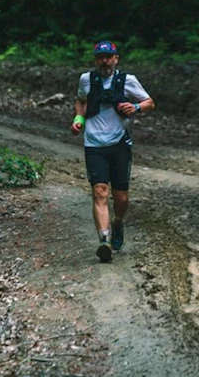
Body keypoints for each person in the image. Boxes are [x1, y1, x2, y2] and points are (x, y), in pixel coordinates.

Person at [71, 40, 155, 263]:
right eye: (100, 57)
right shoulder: (86, 79)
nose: (105, 61)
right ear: (95, 59)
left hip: (119, 144)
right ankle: (104, 241)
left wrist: (135, 107)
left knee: (121, 198)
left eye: (109, 57)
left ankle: (118, 222)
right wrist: (79, 119)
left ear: (116, 59)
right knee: (99, 191)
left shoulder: (127, 80)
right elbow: (80, 101)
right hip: (93, 144)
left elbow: (149, 102)